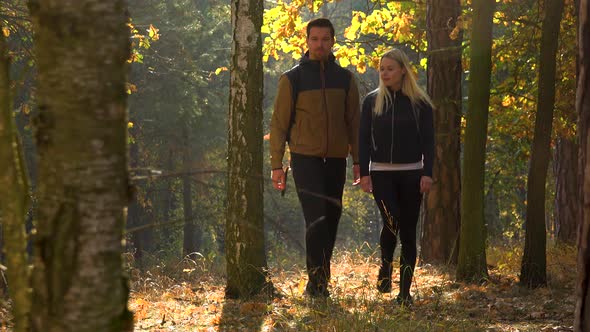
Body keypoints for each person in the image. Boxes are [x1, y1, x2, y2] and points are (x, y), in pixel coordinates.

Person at [269, 18, 360, 298]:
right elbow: (279, 125)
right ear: (306, 41)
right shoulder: (292, 79)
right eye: (314, 39)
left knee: (332, 217)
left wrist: (358, 161)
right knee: (316, 218)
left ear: (333, 41)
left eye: (325, 39)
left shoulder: (345, 79)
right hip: (303, 158)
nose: (319, 44)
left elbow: (354, 123)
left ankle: (320, 278)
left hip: (335, 159)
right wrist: (276, 166)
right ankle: (317, 284)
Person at [358, 48, 434, 305]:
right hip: (381, 174)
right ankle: (385, 266)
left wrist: (428, 173)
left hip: (413, 173)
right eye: (382, 69)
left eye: (390, 68)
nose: (385, 73)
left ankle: (404, 293)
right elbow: (362, 141)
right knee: (392, 221)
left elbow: (429, 142)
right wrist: (365, 174)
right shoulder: (371, 101)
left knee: (409, 231)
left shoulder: (420, 103)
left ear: (403, 70)